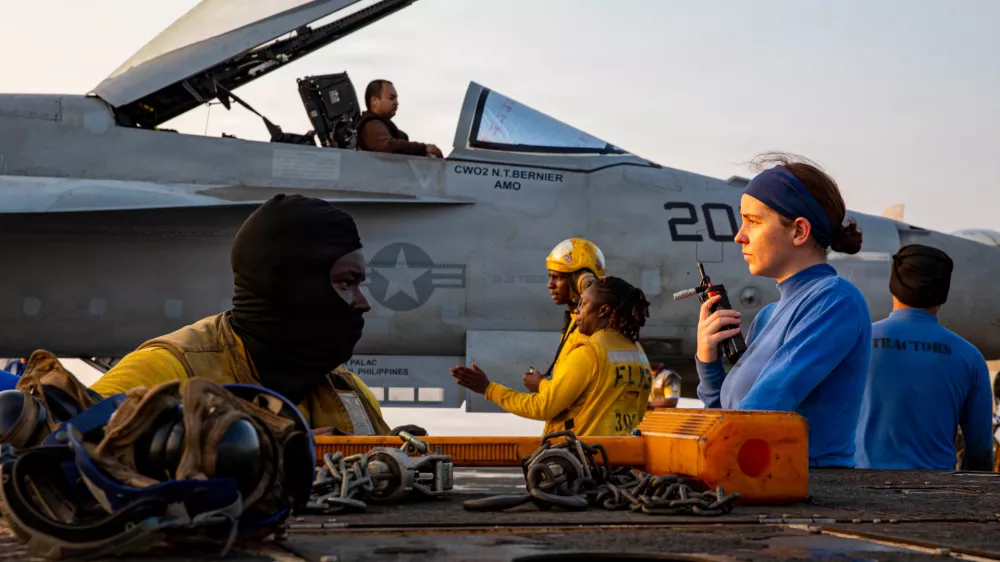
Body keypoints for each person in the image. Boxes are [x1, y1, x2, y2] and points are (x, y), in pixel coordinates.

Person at [89, 194, 414, 436]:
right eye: (346, 283)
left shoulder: (345, 389)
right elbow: (55, 456)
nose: (362, 302)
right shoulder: (167, 372)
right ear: (292, 285)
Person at [696, 152, 871, 468]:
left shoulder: (835, 301)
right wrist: (708, 362)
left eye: (753, 221)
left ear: (799, 232)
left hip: (814, 493)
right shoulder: (767, 317)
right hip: (763, 485)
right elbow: (727, 418)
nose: (739, 236)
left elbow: (760, 412)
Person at [452, 276, 653, 436]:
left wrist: (488, 389)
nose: (577, 310)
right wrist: (542, 384)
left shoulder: (590, 352)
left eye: (583, 304)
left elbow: (544, 407)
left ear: (603, 310)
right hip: (622, 461)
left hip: (584, 465)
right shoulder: (638, 354)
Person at [855, 244, 994, 471]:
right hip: (935, 493)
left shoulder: (858, 343)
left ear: (893, 287)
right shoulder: (969, 357)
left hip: (858, 490)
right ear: (943, 294)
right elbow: (980, 449)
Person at [520, 238, 608, 395]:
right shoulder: (574, 323)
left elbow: (560, 399)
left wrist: (540, 385)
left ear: (582, 282)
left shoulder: (587, 331)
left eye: (557, 277)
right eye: (550, 276)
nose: (550, 284)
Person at [356, 79, 443, 158]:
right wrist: (424, 148)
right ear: (374, 101)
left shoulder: (380, 125)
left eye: (396, 99)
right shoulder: (371, 125)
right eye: (391, 98)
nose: (396, 103)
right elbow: (388, 146)